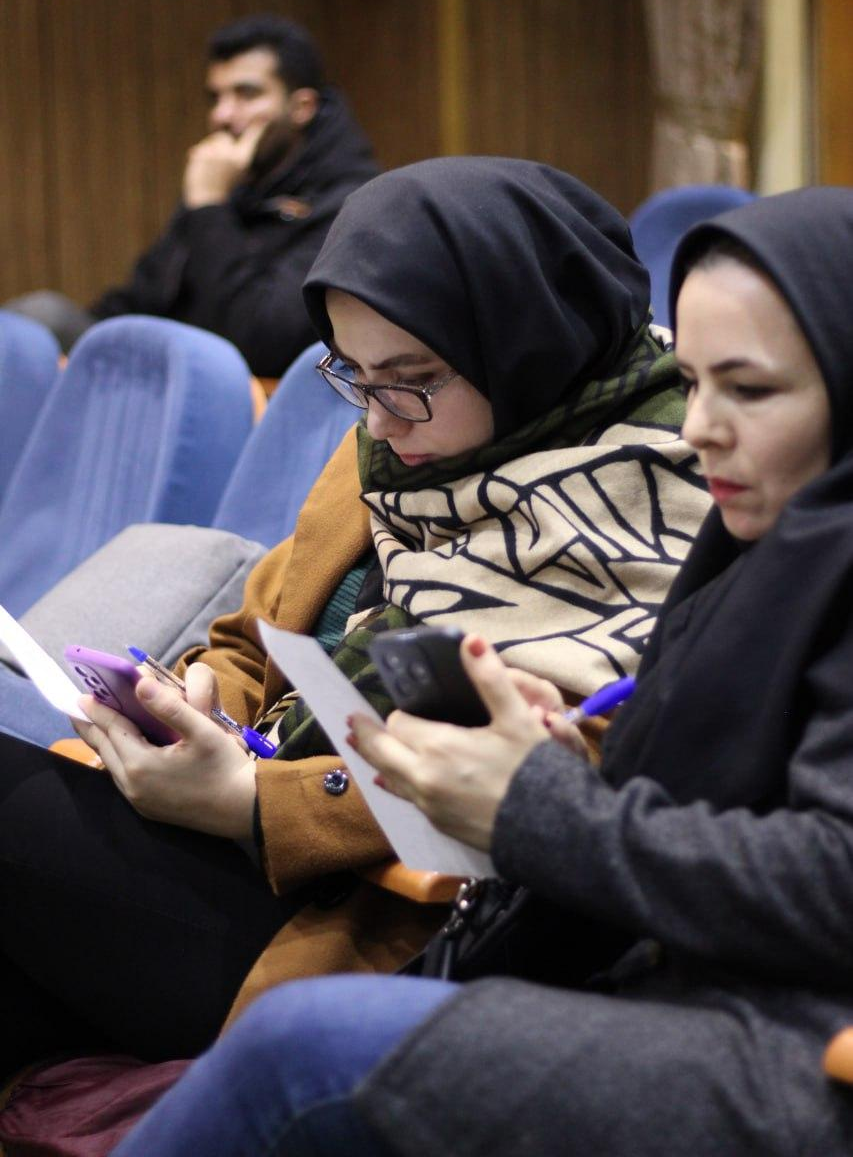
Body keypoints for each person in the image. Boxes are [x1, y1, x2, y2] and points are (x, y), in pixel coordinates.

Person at [109, 185, 853, 1157]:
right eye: (695, 382)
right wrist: (556, 768)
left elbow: (826, 878)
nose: (701, 424)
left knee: (296, 1048)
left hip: (789, 1030)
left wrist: (541, 799)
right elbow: (254, 632)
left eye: (746, 389)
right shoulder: (760, 542)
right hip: (645, 956)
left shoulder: (692, 513)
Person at [0, 159, 709, 1118]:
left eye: (412, 381)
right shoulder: (388, 450)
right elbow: (250, 640)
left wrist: (258, 807)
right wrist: (199, 704)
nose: (376, 417)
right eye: (353, 375)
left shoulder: (677, 495)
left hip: (379, 922)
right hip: (226, 837)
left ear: (531, 343)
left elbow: (571, 780)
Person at [4, 14, 378, 374]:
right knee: (37, 326)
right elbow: (141, 300)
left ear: (301, 108)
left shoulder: (349, 201)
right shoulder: (233, 182)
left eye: (246, 94)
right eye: (216, 97)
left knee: (42, 314)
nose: (222, 115)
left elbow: (261, 341)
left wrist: (210, 207)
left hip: (247, 387)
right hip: (166, 368)